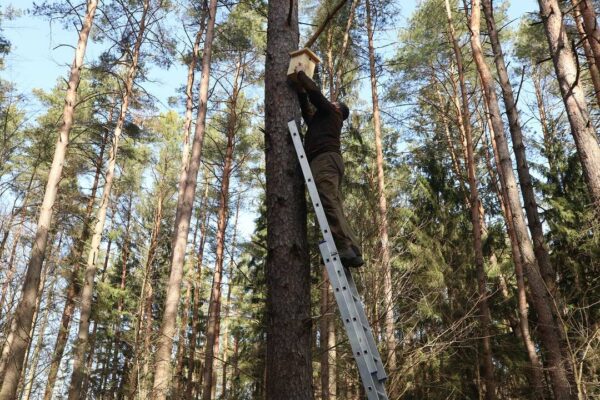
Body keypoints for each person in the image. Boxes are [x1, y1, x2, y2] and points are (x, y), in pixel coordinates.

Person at [290, 66, 364, 268]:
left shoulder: (332, 113)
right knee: (333, 202)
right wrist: (300, 92)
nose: (330, 103)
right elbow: (308, 113)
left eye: (333, 103)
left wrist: (301, 74)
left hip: (325, 160)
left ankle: (343, 247)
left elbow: (316, 95)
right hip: (328, 160)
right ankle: (352, 249)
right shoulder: (322, 120)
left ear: (337, 108)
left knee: (328, 201)